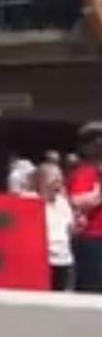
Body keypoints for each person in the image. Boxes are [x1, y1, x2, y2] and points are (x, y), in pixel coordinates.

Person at [68, 122, 102, 293]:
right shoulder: (84, 173)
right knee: (92, 288)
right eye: (95, 140)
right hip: (91, 238)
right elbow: (76, 201)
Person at [34, 163, 74, 291]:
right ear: (41, 181)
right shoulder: (30, 202)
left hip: (63, 260)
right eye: (55, 180)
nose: (59, 184)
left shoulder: (62, 202)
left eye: (60, 180)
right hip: (41, 260)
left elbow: (69, 228)